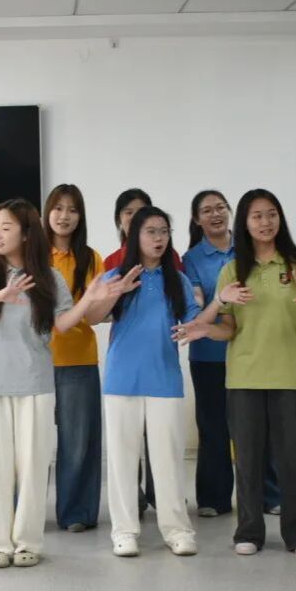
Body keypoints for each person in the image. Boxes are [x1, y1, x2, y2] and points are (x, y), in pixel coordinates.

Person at [182, 188, 296, 557]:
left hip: (290, 377)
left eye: (271, 214)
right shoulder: (233, 270)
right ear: (245, 222)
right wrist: (207, 328)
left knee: (290, 460)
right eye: (257, 216)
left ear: (280, 218)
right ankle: (249, 531)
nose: (265, 222)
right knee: (248, 460)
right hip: (244, 378)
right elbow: (228, 328)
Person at [0, 198, 104, 568]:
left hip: (35, 384)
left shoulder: (47, 277)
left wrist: (91, 299)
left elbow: (63, 323)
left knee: (34, 467)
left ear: (25, 233)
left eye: (6, 227)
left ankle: (28, 541)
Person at [86, 205, 200, 557]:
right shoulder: (114, 276)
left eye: (164, 231)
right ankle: (124, 531)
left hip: (165, 379)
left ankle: (177, 530)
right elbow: (92, 317)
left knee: (168, 460)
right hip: (122, 379)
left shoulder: (177, 280)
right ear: (134, 235)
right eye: (151, 231)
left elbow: (194, 321)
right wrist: (114, 291)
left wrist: (203, 317)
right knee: (122, 460)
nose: (159, 238)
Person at [182, 189, 280, 518]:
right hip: (208, 354)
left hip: (252, 350)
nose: (215, 214)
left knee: (258, 427)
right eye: (207, 210)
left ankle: (269, 495)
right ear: (197, 220)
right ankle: (214, 498)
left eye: (220, 207)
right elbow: (196, 305)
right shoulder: (191, 259)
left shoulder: (251, 248)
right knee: (213, 428)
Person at [42, 184, 104, 532]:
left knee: (78, 442)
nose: (64, 216)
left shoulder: (91, 258)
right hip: (34, 362)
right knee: (31, 444)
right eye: (58, 208)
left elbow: (95, 314)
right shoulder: (33, 255)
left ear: (80, 217)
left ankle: (76, 512)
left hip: (79, 359)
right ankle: (24, 513)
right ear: (47, 212)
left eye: (72, 209)